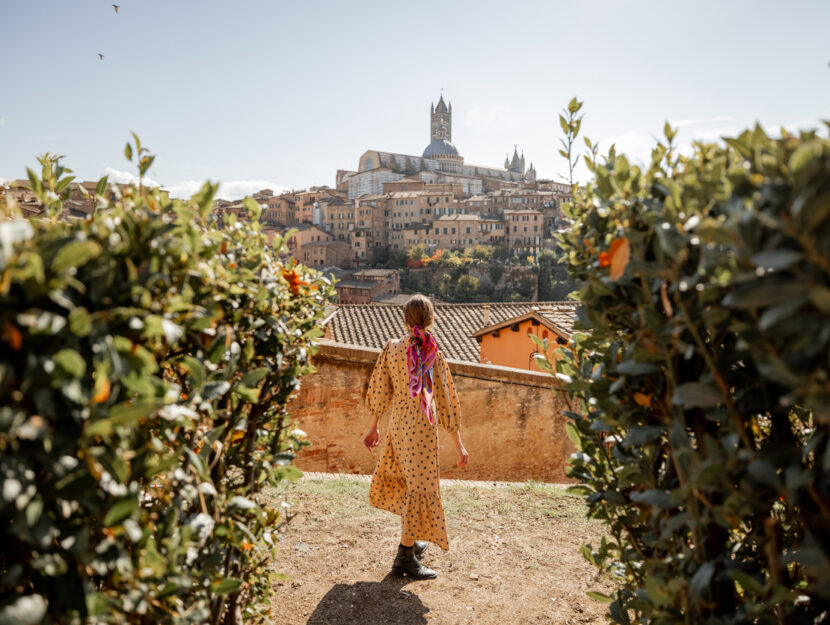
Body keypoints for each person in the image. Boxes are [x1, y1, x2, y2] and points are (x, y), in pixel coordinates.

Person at [363, 294, 469, 580]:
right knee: (420, 487)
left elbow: (380, 389)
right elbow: (446, 400)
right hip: (422, 429)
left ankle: (412, 540)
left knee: (410, 483)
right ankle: (404, 558)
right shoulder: (433, 353)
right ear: (431, 319)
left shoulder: (391, 349)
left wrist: (374, 427)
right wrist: (458, 444)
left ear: (405, 319)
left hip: (398, 426)